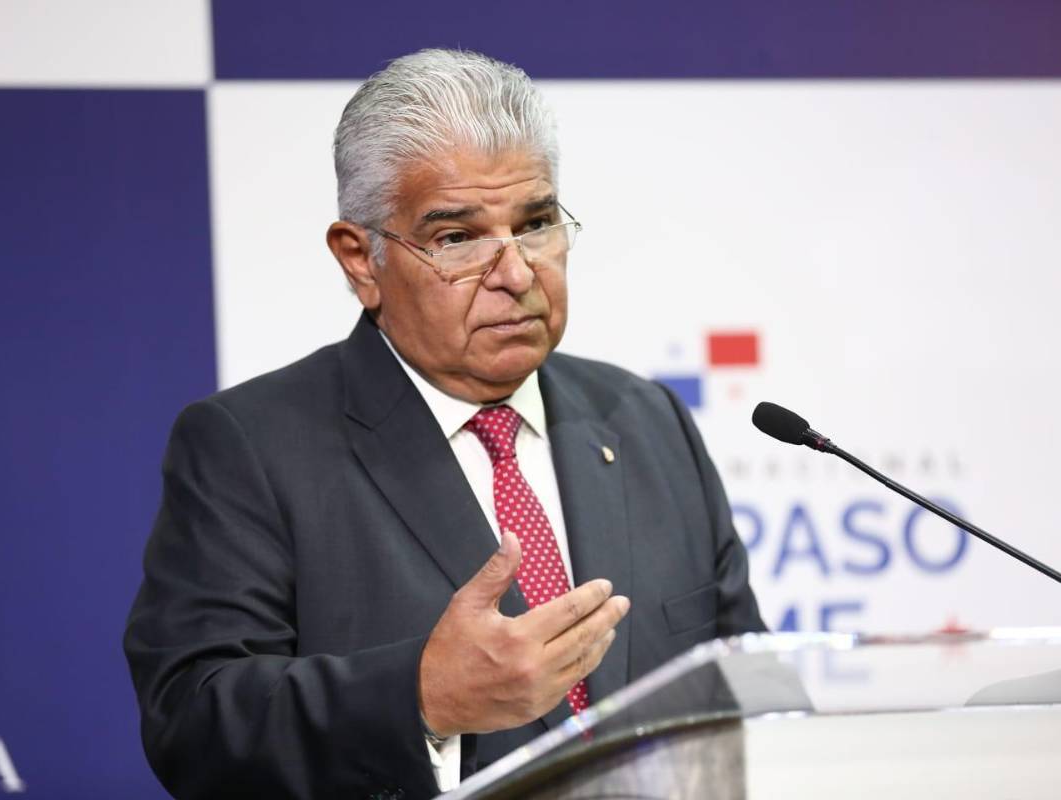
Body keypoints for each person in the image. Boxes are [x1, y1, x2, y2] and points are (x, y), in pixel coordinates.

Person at [124, 48, 765, 799]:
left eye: (536, 223)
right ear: (360, 260)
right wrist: (422, 696)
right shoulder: (251, 446)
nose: (516, 274)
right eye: (458, 238)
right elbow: (193, 723)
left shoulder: (645, 419)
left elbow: (747, 685)